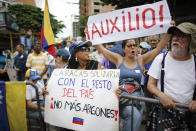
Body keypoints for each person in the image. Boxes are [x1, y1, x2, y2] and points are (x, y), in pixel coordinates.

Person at [95, 34, 170, 131]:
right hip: (122, 100)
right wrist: (91, 34)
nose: (132, 48)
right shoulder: (118, 59)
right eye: (129, 46)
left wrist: (169, 32)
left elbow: (157, 49)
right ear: (123, 49)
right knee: (134, 115)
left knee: (135, 120)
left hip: (137, 101)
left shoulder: (141, 60)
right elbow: (102, 50)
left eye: (134, 45)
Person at [147, 22, 196, 130]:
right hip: (164, 113)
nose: (175, 38)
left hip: (189, 116)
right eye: (174, 35)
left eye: (181, 36)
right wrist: (161, 95)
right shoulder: (161, 58)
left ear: (191, 40)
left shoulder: (195, 61)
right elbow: (150, 84)